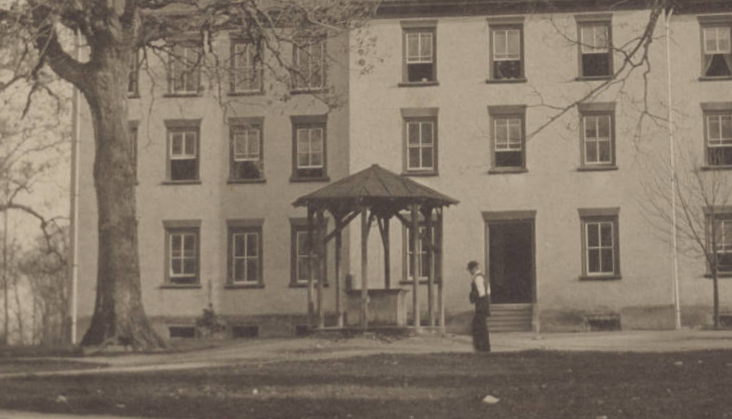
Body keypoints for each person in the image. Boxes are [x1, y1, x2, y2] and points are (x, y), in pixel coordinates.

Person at [467, 260, 491, 352]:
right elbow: (488, 291)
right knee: (481, 326)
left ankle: (481, 348)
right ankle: (483, 347)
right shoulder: (484, 277)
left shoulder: (477, 278)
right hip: (485, 304)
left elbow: (481, 293)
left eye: (470, 269)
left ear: (475, 268)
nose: (470, 272)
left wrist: (472, 296)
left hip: (481, 305)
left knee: (479, 326)